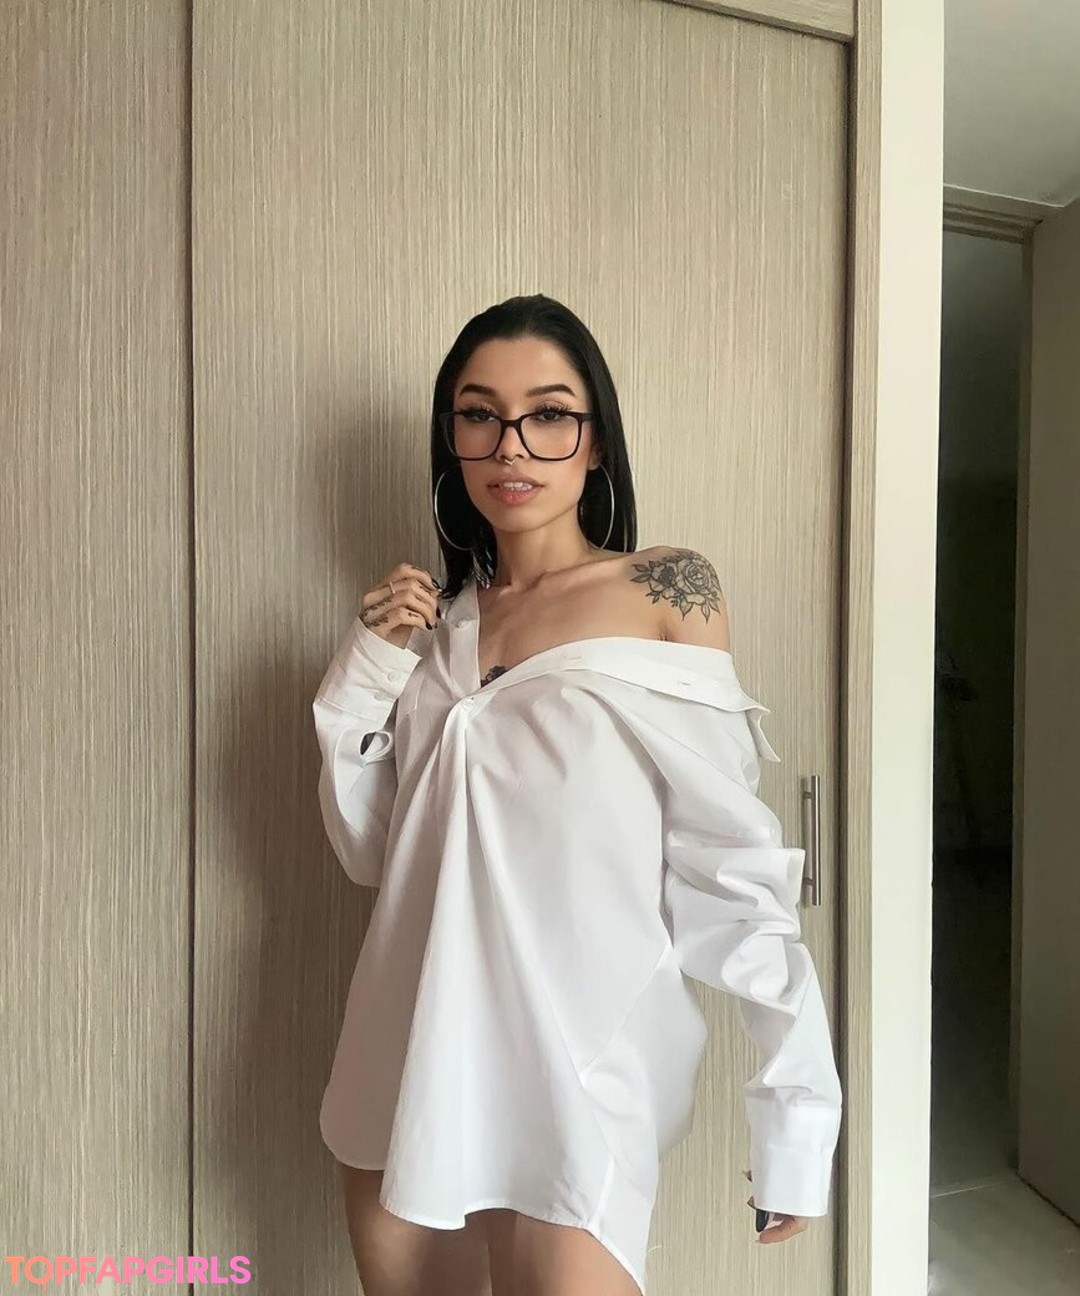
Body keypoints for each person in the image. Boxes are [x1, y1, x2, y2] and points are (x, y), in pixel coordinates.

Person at [312, 294, 842, 1296]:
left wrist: (798, 1114)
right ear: (452, 441)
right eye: (479, 415)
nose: (512, 445)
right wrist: (369, 669)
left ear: (596, 441)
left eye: (549, 413)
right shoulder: (436, 635)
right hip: (408, 1057)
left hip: (580, 1072)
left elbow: (730, 867)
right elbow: (376, 854)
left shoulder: (665, 592)